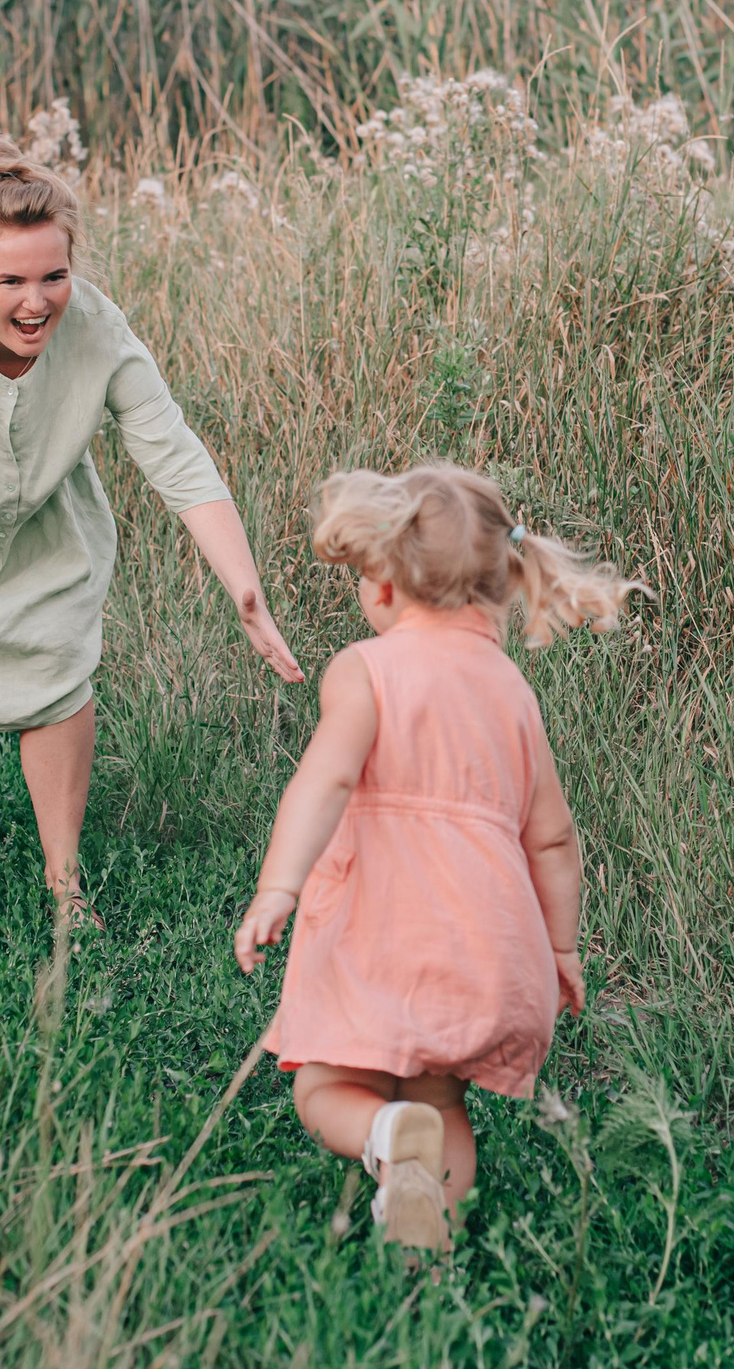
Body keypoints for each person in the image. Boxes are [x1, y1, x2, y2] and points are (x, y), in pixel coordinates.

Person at [0, 135, 303, 917]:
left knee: (57, 685)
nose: (36, 301)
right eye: (11, 280)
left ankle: (65, 886)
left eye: (54, 276)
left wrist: (245, 588)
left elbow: (177, 458)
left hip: (52, 533)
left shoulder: (97, 327)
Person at [232, 463, 643, 1250]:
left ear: (383, 587)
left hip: (377, 931)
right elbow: (553, 837)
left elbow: (328, 777)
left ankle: (385, 1130)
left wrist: (279, 885)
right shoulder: (514, 693)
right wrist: (560, 949)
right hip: (480, 948)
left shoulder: (367, 670)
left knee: (324, 1088)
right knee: (443, 1102)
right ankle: (430, 1256)